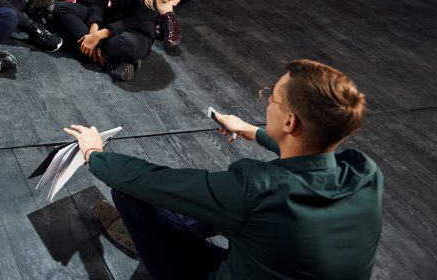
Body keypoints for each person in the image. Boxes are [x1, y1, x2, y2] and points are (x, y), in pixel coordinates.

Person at [64, 59, 383, 280]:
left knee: (131, 192)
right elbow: (309, 157)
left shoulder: (256, 187)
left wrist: (94, 152)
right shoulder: (365, 174)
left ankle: (150, 236)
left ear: (289, 121)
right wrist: (250, 130)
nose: (266, 101)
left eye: (270, 98)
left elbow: (155, 181)